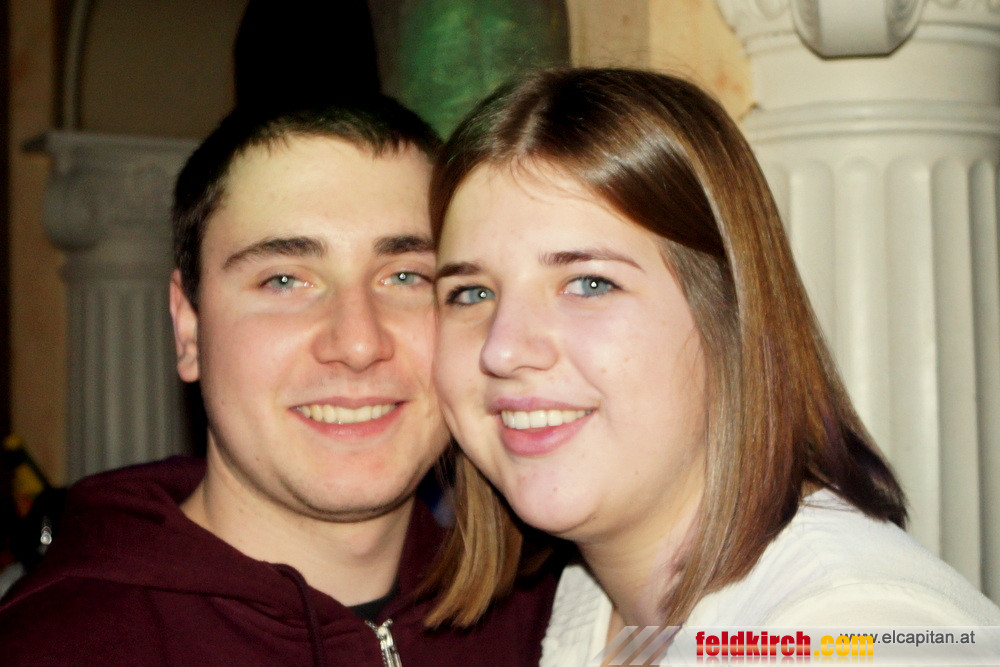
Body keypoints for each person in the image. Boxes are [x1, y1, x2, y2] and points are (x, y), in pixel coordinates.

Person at [424, 67, 1000, 664]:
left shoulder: (854, 634)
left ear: (729, 311)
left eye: (590, 283)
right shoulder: (586, 607)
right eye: (471, 293)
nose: (502, 349)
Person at [0, 98, 556, 665]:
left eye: (406, 276)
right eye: (284, 280)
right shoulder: (52, 648)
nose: (358, 343)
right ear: (188, 330)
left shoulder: (559, 625)